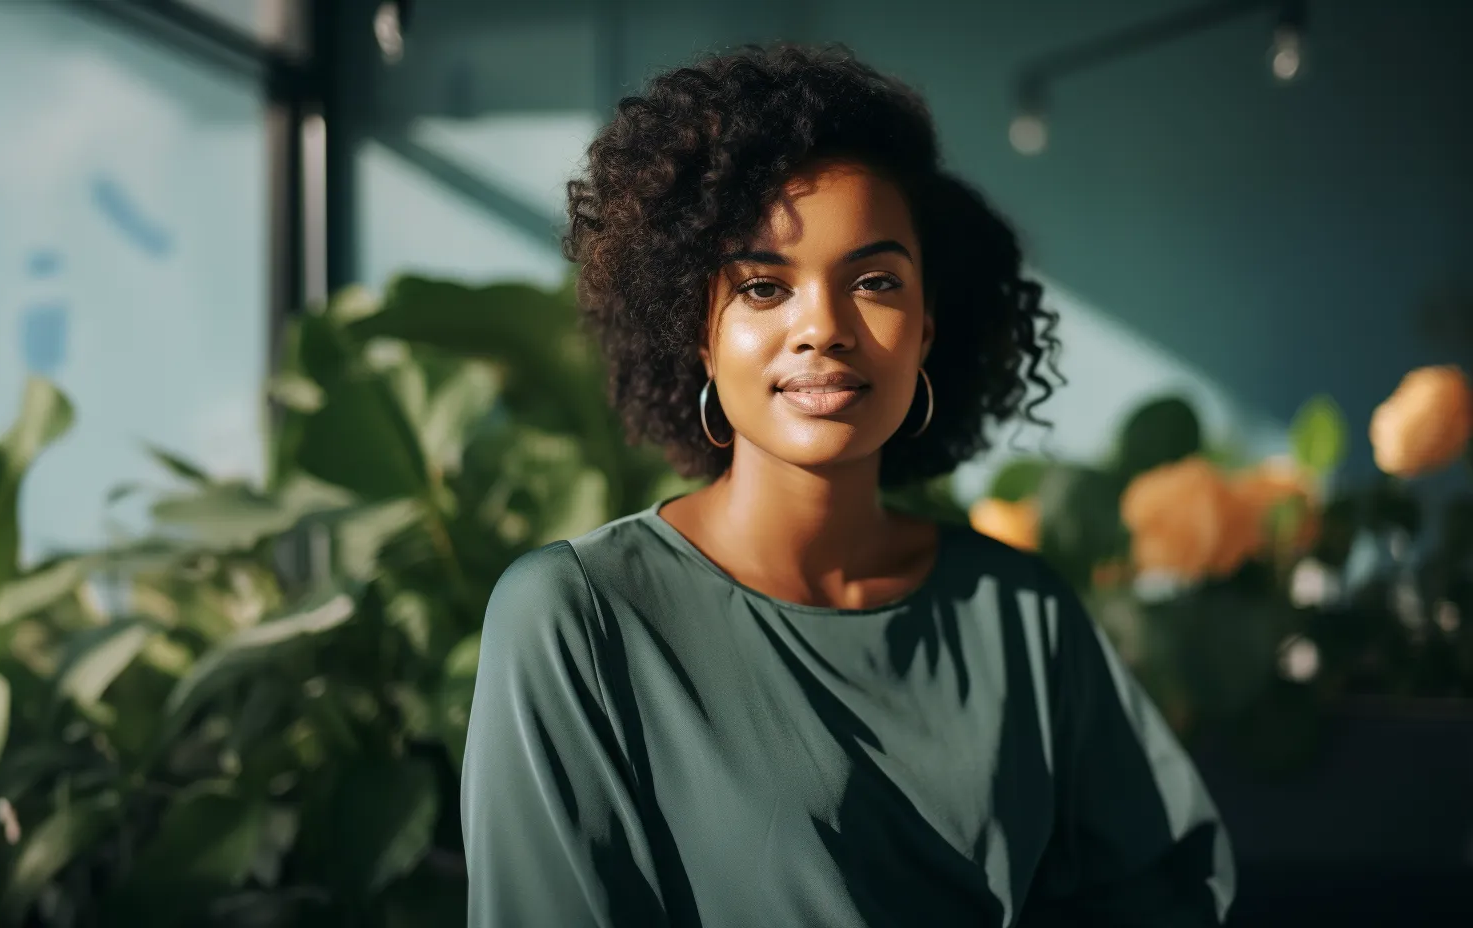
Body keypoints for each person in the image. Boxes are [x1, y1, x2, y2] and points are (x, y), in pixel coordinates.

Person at [460, 45, 1233, 927]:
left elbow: (1166, 890)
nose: (821, 328)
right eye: (762, 287)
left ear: (926, 329)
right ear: (698, 332)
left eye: (873, 281)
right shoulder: (576, 620)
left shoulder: (1020, 613)